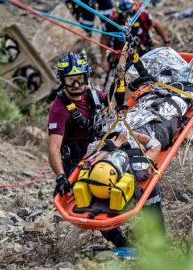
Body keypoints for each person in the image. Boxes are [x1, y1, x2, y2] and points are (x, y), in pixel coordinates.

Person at [48, 50, 133, 247]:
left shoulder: (92, 95)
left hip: (96, 150)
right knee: (95, 194)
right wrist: (61, 176)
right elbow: (53, 148)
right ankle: (121, 242)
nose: (76, 85)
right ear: (63, 81)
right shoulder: (59, 109)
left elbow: (114, 101)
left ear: (86, 77)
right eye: (70, 81)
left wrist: (123, 73)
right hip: (76, 159)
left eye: (79, 79)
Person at [101, 0, 170, 71]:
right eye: (124, 15)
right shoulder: (113, 20)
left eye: (130, 13)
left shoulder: (142, 14)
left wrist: (166, 41)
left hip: (144, 47)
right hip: (122, 53)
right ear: (119, 13)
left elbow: (156, 23)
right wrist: (104, 59)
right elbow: (104, 38)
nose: (128, 17)